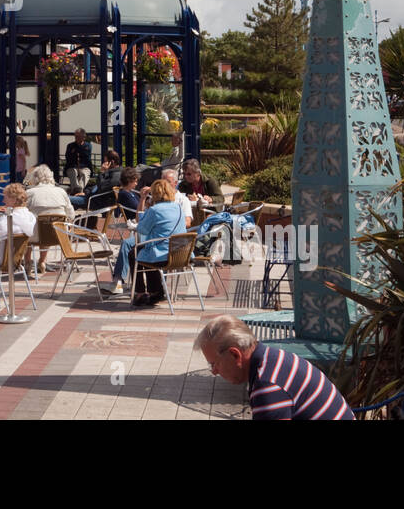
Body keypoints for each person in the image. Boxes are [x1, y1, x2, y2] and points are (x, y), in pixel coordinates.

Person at [195, 315, 354, 420]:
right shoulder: (271, 358)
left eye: (214, 364)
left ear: (235, 355)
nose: (214, 372)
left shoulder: (267, 385)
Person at [104, 179, 187, 304]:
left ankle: (140, 293)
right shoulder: (178, 208)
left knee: (134, 254)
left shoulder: (155, 210)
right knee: (145, 252)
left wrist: (143, 209)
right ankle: (156, 291)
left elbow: (142, 229)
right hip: (181, 254)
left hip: (162, 254)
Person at [23, 164, 73, 273]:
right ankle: (42, 261)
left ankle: (27, 261)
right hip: (57, 235)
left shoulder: (30, 193)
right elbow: (71, 214)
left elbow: (22, 214)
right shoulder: (61, 192)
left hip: (34, 236)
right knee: (48, 225)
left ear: (35, 178)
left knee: (29, 225)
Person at [64, 128, 93, 194]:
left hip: (84, 166)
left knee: (85, 174)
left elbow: (86, 157)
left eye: (78, 136)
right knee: (72, 173)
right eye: (76, 136)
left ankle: (76, 190)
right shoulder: (70, 145)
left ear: (84, 137)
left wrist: (77, 150)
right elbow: (68, 157)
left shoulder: (88, 146)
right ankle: (78, 191)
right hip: (72, 166)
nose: (76, 138)